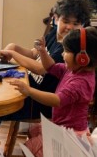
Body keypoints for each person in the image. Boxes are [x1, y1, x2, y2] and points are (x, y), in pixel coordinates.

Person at [0, 0, 92, 153]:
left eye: (76, 23)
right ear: (56, 19)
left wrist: (14, 55)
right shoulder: (53, 36)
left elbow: (41, 68)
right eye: (65, 21)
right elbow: (33, 53)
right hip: (31, 86)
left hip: (41, 100)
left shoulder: (68, 51)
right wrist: (15, 47)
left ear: (83, 25)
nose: (70, 27)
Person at [11, 26, 97, 156]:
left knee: (32, 148)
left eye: (66, 51)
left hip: (71, 135)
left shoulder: (81, 82)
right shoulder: (72, 70)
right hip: (61, 127)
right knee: (32, 145)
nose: (62, 54)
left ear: (82, 58)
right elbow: (50, 67)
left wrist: (29, 91)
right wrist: (43, 52)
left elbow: (57, 100)